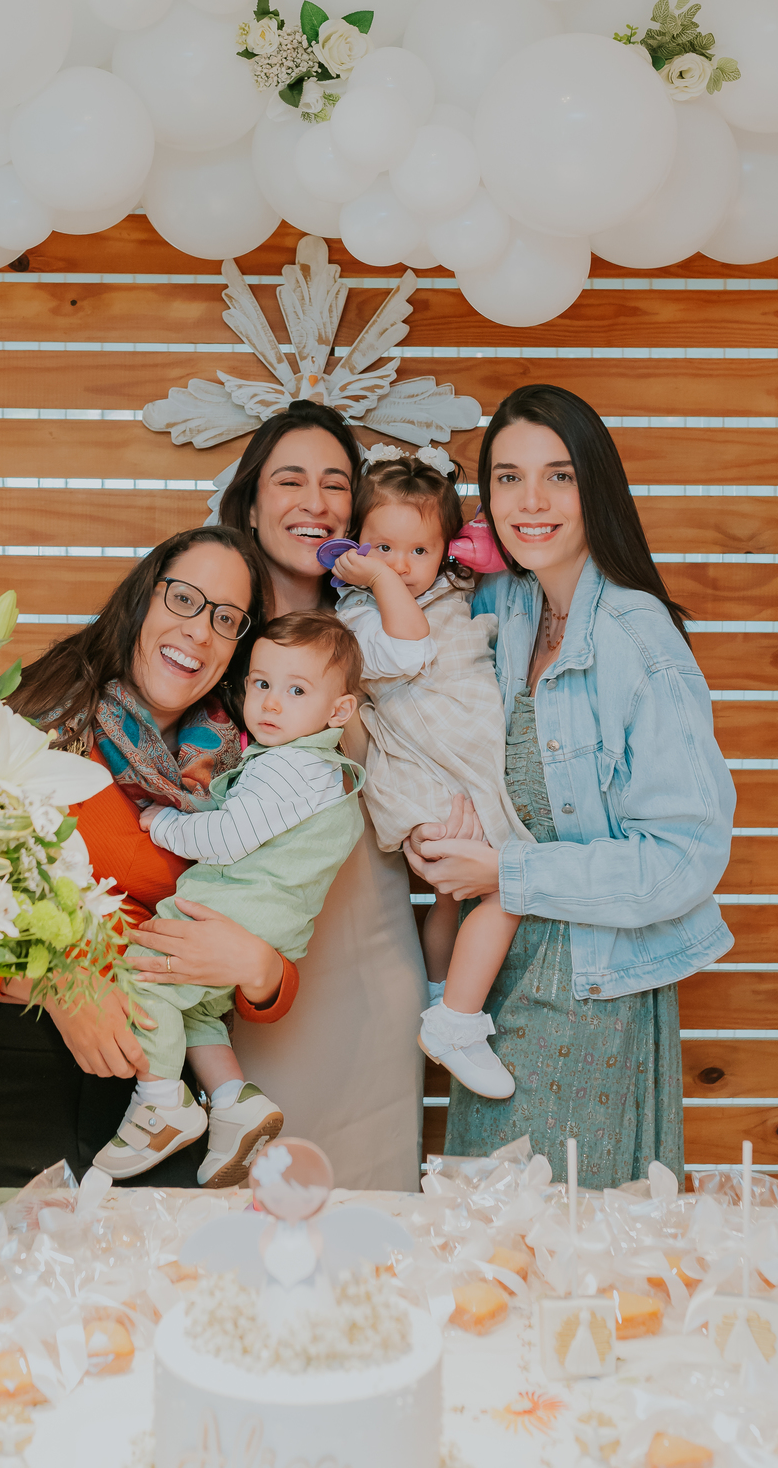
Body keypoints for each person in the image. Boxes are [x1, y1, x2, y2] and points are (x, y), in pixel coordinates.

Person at [405, 385, 736, 1188]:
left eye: (559, 476)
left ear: (598, 488)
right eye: (509, 478)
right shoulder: (511, 611)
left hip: (594, 995)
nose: (532, 501)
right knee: (491, 1249)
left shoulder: (636, 638)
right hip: (497, 987)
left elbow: (685, 857)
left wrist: (504, 873)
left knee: (564, 1257)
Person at [0, 527, 301, 1187]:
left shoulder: (255, 771)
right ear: (143, 600)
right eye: (185, 600)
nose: (200, 630)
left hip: (162, 1086)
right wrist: (53, 987)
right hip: (21, 1061)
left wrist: (261, 968)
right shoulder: (37, 724)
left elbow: (279, 921)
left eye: (226, 619)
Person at [219, 401, 430, 1191]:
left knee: (366, 1236)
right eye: (290, 479)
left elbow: (448, 745)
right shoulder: (206, 633)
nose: (314, 500)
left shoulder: (383, 632)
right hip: (242, 974)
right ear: (250, 500)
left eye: (334, 483)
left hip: (368, 969)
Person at [94, 611, 365, 1186]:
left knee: (145, 976)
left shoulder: (286, 769)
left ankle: (161, 1102)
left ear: (339, 711)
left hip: (235, 911)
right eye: (261, 685)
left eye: (296, 691)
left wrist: (163, 823)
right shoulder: (319, 770)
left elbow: (225, 839)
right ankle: (232, 1101)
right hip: (269, 924)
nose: (270, 704)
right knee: (198, 1012)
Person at [329, 445, 533, 1103]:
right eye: (383, 548)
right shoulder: (360, 616)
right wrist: (380, 579)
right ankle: (456, 1023)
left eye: (419, 551)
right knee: (511, 882)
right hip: (423, 773)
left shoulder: (449, 586)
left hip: (459, 767)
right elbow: (412, 646)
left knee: (455, 895)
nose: (403, 566)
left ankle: (446, 992)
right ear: (357, 548)